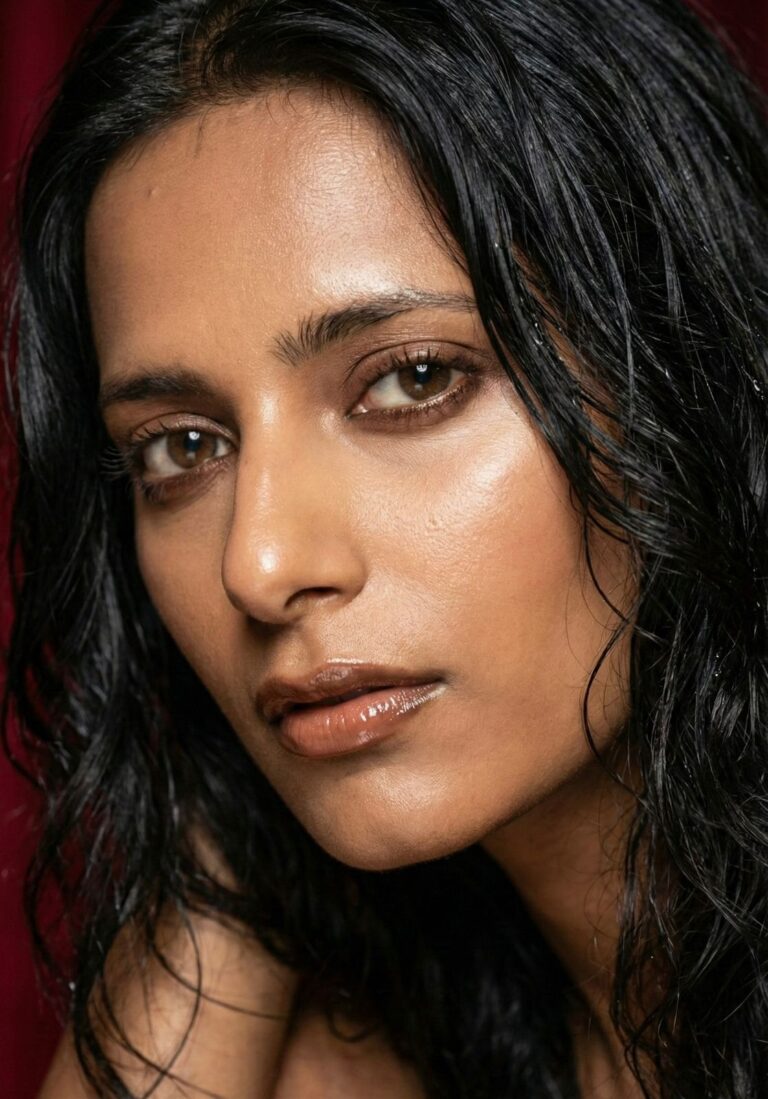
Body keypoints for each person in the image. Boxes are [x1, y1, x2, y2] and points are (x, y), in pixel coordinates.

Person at [2, 0, 766, 1095]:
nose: (257, 566)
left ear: (684, 373)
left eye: (413, 379)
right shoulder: (344, 1060)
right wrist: (225, 824)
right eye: (183, 446)